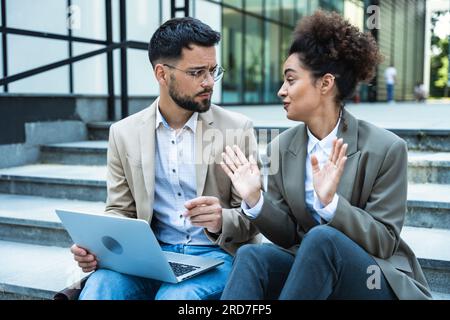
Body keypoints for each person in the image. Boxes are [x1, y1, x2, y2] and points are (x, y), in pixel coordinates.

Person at [220, 10, 432, 300]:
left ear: (325, 83)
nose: (281, 91)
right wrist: (255, 200)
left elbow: (384, 242)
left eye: (291, 80)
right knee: (251, 256)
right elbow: (289, 237)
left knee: (322, 239)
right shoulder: (281, 148)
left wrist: (332, 205)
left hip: (373, 277)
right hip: (312, 272)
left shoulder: (385, 149)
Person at [71, 17, 260, 300]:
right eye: (197, 72)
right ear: (162, 74)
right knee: (99, 288)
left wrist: (221, 219)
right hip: (150, 257)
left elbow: (255, 218)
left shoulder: (236, 129)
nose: (209, 82)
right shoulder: (123, 133)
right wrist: (98, 247)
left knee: (175, 298)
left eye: (213, 70)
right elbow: (120, 211)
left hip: (217, 257)